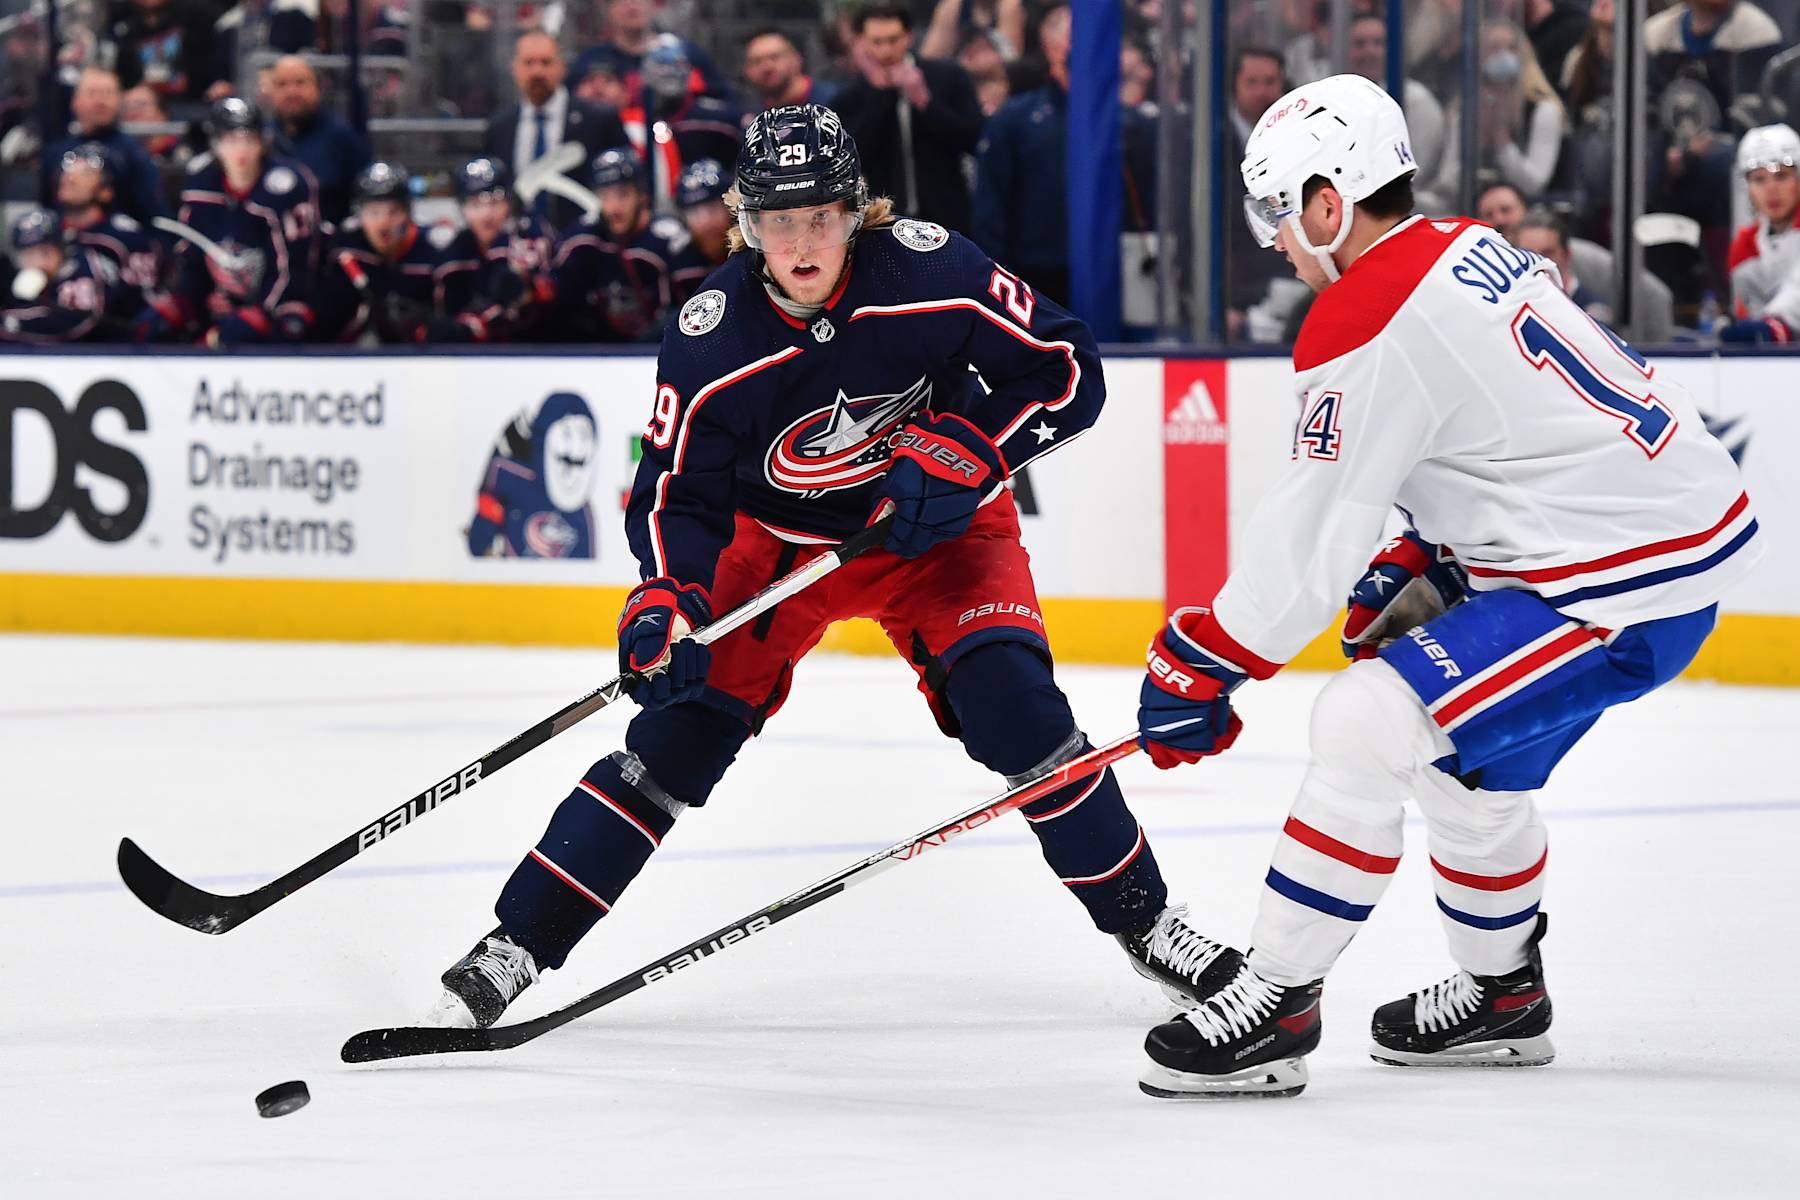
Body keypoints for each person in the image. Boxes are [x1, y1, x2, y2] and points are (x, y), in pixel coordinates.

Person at [423, 103, 1237, 1032]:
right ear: (743, 223)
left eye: (820, 216)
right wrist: (664, 602)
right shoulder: (711, 336)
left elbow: (1066, 368)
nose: (801, 243)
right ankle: (517, 943)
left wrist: (974, 448)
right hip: (772, 554)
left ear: (859, 210)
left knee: (1021, 712)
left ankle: (1151, 924)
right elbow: (674, 493)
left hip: (935, 535)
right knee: (674, 742)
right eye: (777, 220)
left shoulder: (935, 271)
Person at [1133, 74, 1759, 1099]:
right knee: (1466, 764)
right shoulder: (1464, 244)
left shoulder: (1365, 310)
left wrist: (1206, 658)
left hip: (1611, 585)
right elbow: (1507, 435)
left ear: (1329, 203)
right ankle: (1502, 1000)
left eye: (1279, 214)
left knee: (1362, 725)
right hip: (1647, 553)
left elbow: (1314, 537)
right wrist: (1430, 552)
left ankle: (1277, 1002)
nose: (1276, 243)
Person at [143, 96, 323, 345]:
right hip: (225, 297)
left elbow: (295, 270)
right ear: (215, 144)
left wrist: (258, 310)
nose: (241, 151)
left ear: (262, 143)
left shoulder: (287, 186)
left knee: (274, 327)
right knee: (153, 324)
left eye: (249, 140)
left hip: (281, 303)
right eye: (230, 140)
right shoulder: (201, 181)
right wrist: (194, 298)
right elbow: (191, 256)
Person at [834, 3, 983, 233]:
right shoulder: (850, 97)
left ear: (909, 37)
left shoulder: (948, 77)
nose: (885, 51)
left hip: (947, 215)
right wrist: (879, 96)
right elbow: (852, 158)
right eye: (876, 42)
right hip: (880, 220)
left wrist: (926, 103)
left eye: (893, 40)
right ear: (862, 42)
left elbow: (972, 139)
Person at [971, 3, 1072, 304]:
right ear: (1050, 45)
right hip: (1037, 274)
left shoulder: (1119, 120)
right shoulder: (1016, 119)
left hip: (1112, 269)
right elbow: (990, 206)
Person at [543, 147, 699, 341]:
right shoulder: (584, 239)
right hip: (599, 359)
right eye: (605, 196)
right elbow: (553, 294)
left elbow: (694, 311)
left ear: (642, 195)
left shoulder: (671, 241)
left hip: (661, 354)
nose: (613, 207)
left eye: (623, 194)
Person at [483, 32, 630, 230]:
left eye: (546, 62)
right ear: (514, 68)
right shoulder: (500, 126)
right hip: (521, 247)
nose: (537, 72)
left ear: (562, 67)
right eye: (528, 63)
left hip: (586, 242)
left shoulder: (599, 119)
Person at [428, 157, 556, 344]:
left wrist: (468, 326)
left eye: (495, 202)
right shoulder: (453, 253)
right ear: (461, 208)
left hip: (541, 349)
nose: (486, 214)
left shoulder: (529, 236)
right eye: (475, 204)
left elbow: (526, 303)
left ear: (510, 204)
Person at [313, 161, 443, 344]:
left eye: (394, 212)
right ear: (359, 214)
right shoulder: (343, 249)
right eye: (374, 212)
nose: (384, 223)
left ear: (408, 213)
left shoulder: (433, 252)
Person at [41, 66, 166, 226]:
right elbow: (47, 211)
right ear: (75, 101)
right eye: (92, 93)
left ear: (119, 100)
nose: (100, 101)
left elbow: (153, 216)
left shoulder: (134, 154)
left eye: (108, 93)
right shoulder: (55, 153)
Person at [1, 207, 145, 343]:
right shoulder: (22, 277)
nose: (36, 262)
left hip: (115, 352)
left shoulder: (84, 266)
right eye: (26, 255)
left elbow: (70, 324)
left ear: (62, 247)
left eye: (44, 252)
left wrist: (8, 322)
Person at [267, 55, 370, 228]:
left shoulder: (342, 138)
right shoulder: (261, 139)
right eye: (282, 84)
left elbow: (366, 200)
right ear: (270, 91)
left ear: (317, 88)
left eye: (300, 83)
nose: (292, 92)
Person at [53, 142, 162, 304]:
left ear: (106, 192)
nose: (71, 176)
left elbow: (144, 303)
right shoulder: (46, 232)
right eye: (68, 168)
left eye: (86, 172)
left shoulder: (127, 239)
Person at [1722, 123, 1799, 344]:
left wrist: (1775, 326)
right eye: (1759, 179)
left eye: (1781, 176)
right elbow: (1747, 313)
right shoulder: (1744, 246)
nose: (1771, 189)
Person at [1514, 206, 1612, 324]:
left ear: (1566, 255)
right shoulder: (1510, 309)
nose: (1538, 263)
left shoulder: (1594, 314)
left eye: (1547, 254)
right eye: (1529, 255)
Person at [672, 156, 730, 296]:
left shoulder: (755, 255)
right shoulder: (681, 265)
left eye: (712, 208)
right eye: (694, 213)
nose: (705, 222)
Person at [742, 28, 836, 112]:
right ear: (747, 71)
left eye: (774, 57)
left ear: (796, 59)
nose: (767, 67)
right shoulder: (754, 120)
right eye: (756, 62)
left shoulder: (835, 104)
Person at [918, 0, 1025, 62]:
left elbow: (1009, 60)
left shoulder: (1010, 6)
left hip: (998, 80)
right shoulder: (953, 6)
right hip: (963, 74)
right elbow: (930, 57)